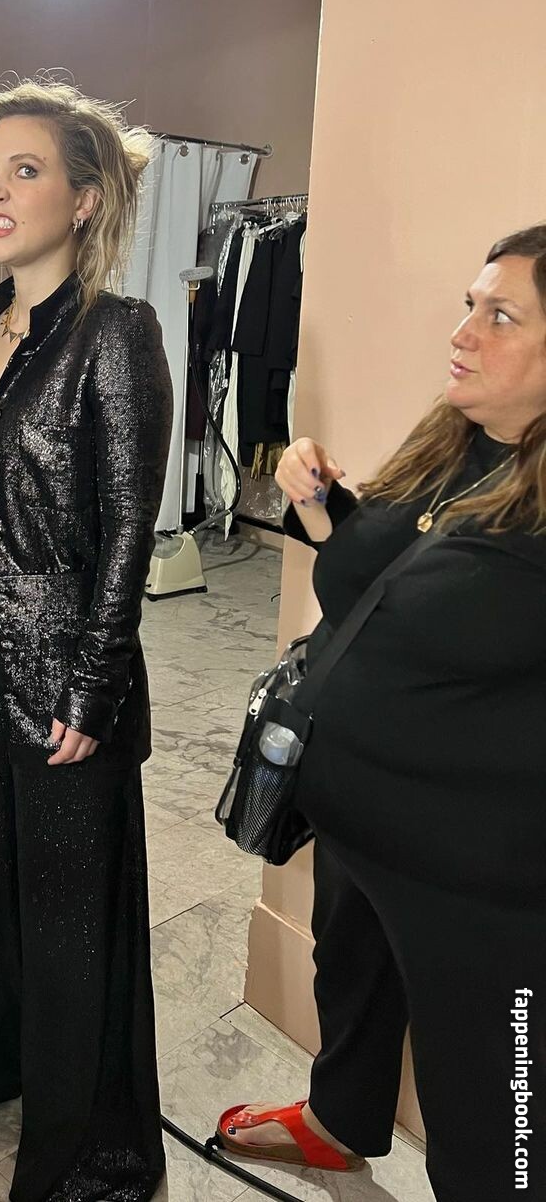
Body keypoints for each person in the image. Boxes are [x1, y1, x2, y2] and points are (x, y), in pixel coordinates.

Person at [216, 225, 546, 1201]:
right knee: (352, 979)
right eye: (469, 305)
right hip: (360, 822)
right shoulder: (456, 440)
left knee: (491, 1099)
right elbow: (367, 575)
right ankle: (339, 1122)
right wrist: (320, 503)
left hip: (475, 871)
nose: (463, 333)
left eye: (501, 316)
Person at [0, 80, 173, 1202]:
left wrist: (95, 684)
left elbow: (129, 528)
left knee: (71, 914)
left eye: (27, 170)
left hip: (65, 648)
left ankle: (88, 1153)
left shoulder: (117, 332)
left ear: (84, 198)